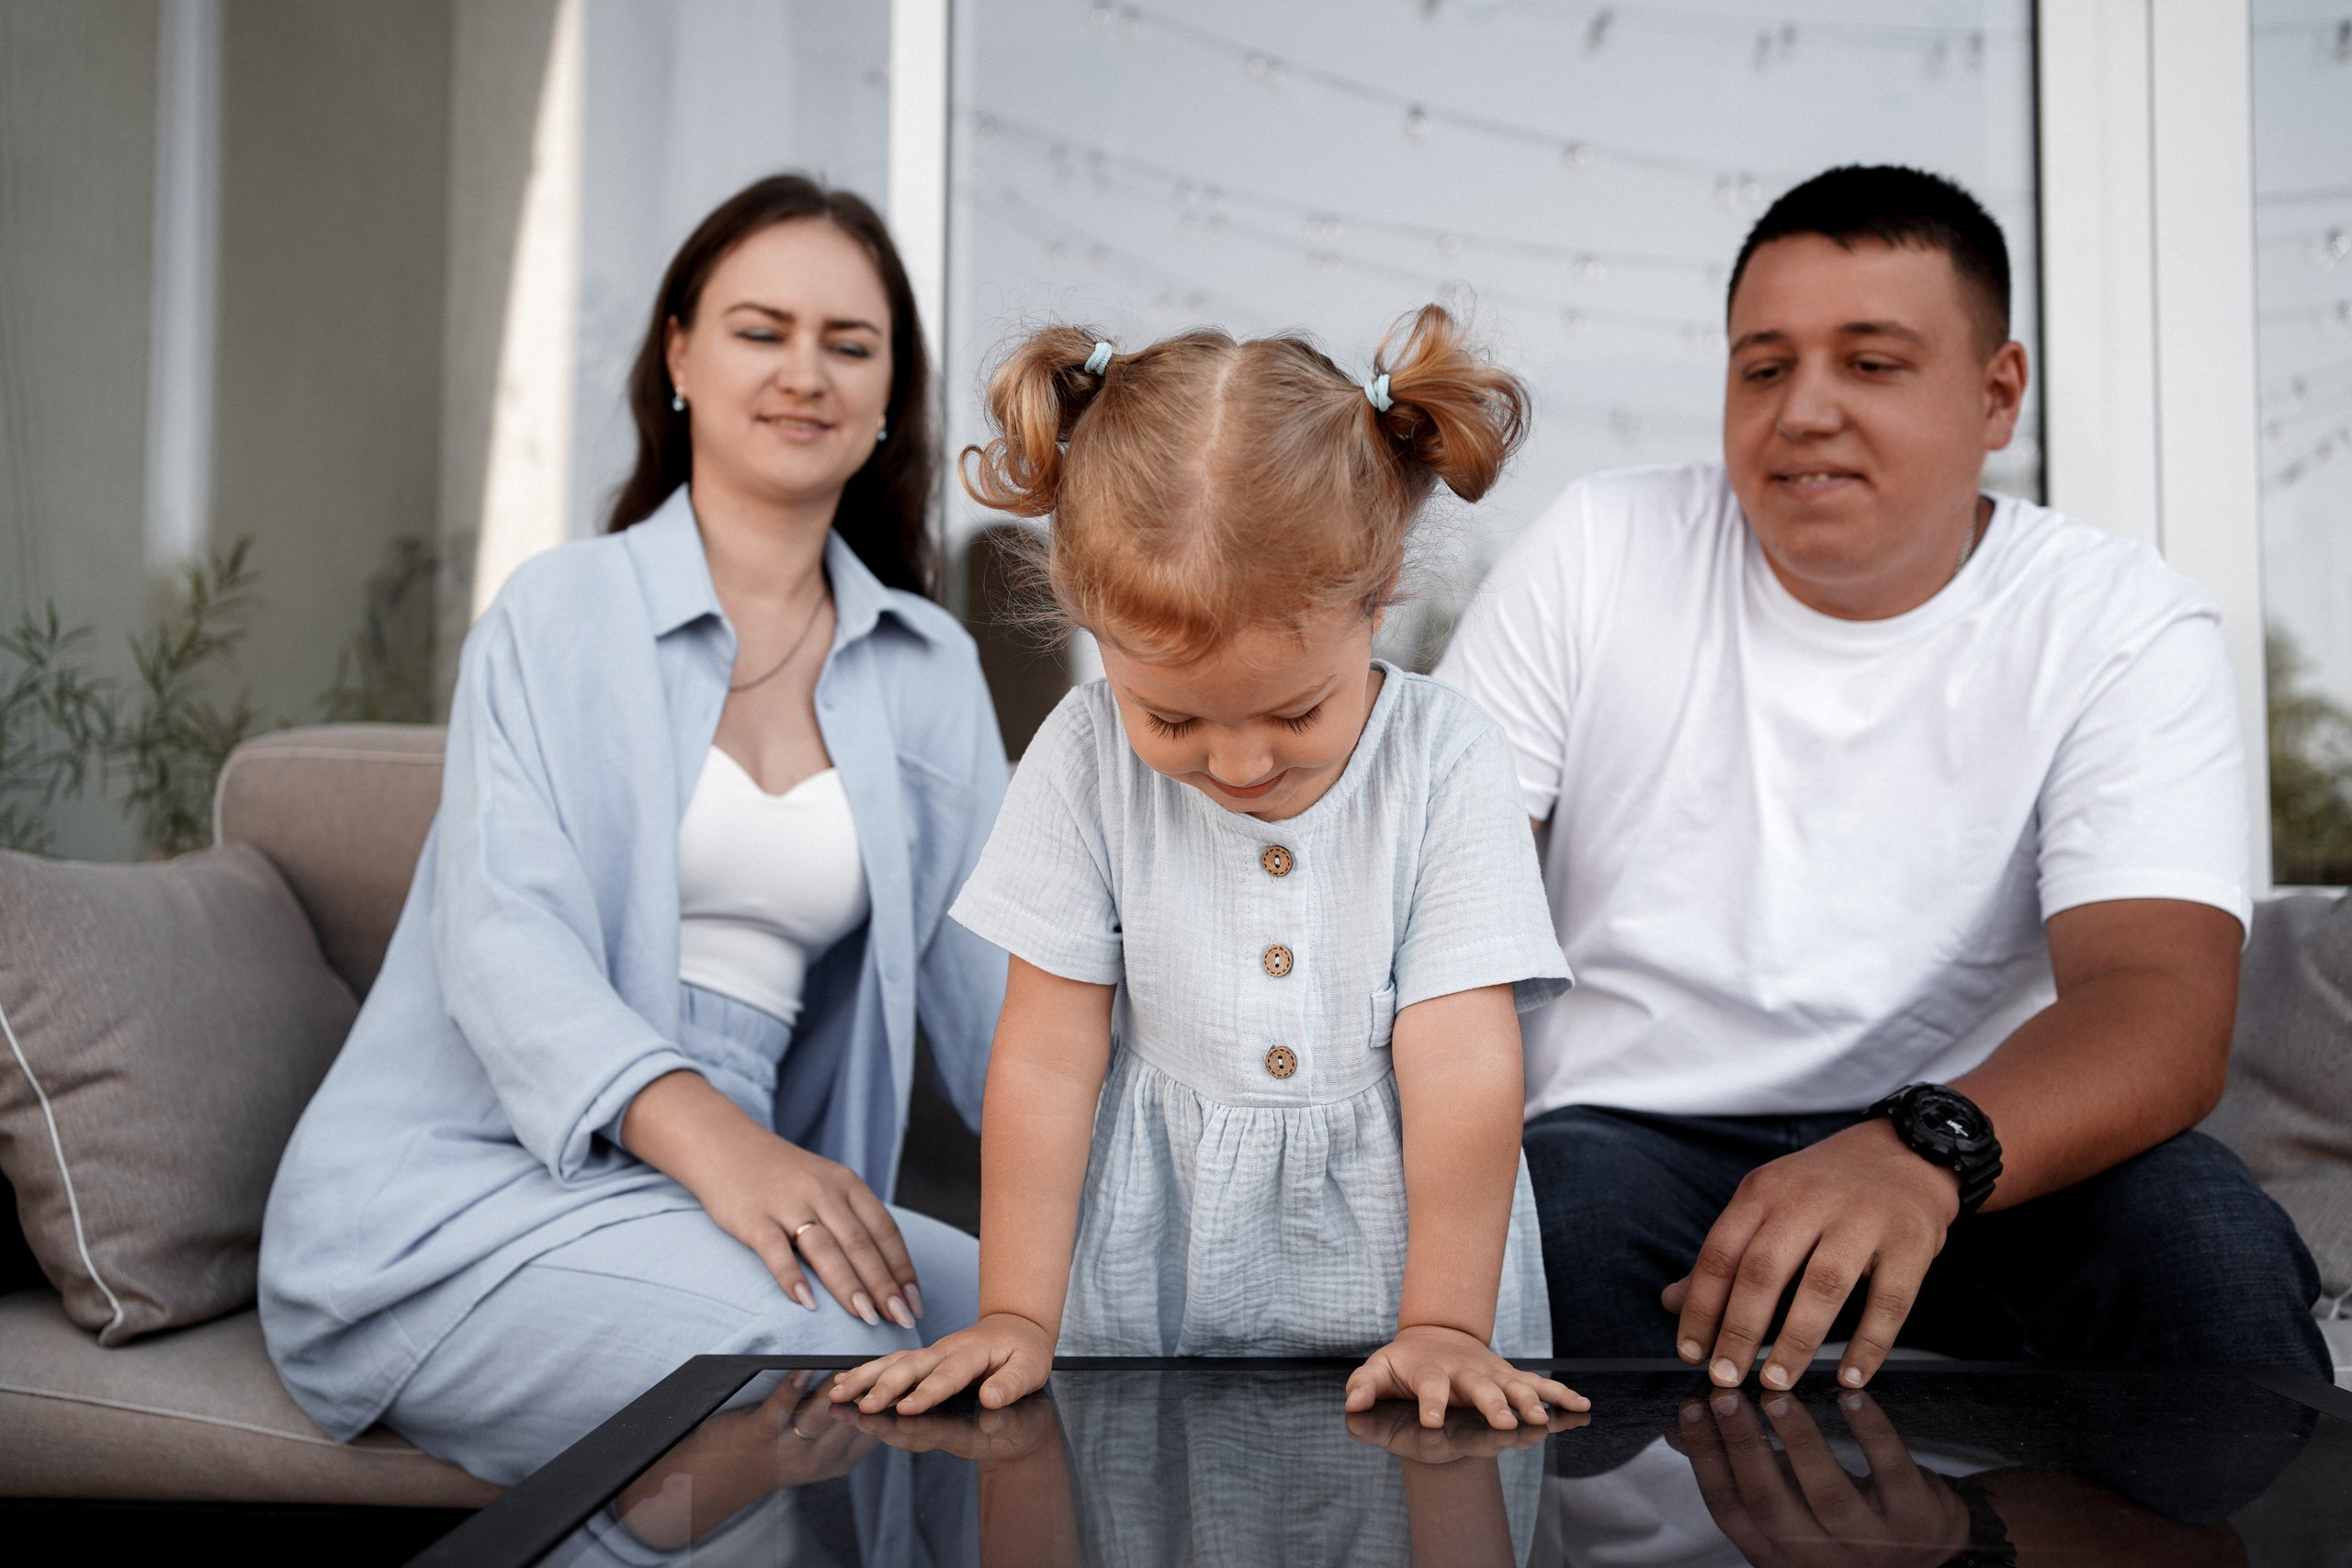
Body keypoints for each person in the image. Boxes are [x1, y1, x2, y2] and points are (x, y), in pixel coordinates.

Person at [1438, 164, 2332, 1391]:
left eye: (1871, 362)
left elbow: (2160, 1006)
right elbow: (1437, 903)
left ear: (1997, 393)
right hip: (1632, 1137)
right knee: (1536, 1241)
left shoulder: (2119, 616)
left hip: (1990, 1132)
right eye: (1763, 367)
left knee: (2208, 1252)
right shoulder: (1599, 549)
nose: (1802, 410)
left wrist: (1923, 1147)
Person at [258, 175, 1010, 1482]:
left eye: (850, 343)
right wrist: (728, 1151)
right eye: (760, 329)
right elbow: (503, 943)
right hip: (458, 1199)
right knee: (812, 1351)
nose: (805, 374)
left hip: (748, 1192)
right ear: (678, 353)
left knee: (1059, 1333)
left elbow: (1007, 996)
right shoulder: (558, 613)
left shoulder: (929, 669)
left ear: (891, 393)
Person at [830, 309, 1586, 1429]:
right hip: (1152, 1278)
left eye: (1294, 710)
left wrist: (1444, 1324)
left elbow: (1464, 1063)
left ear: (1377, 600)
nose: (1236, 763)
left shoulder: (1447, 759)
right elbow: (1044, 1056)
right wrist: (1016, 1316)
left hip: (1414, 1283)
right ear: (1091, 627)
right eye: (1172, 717)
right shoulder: (1084, 758)